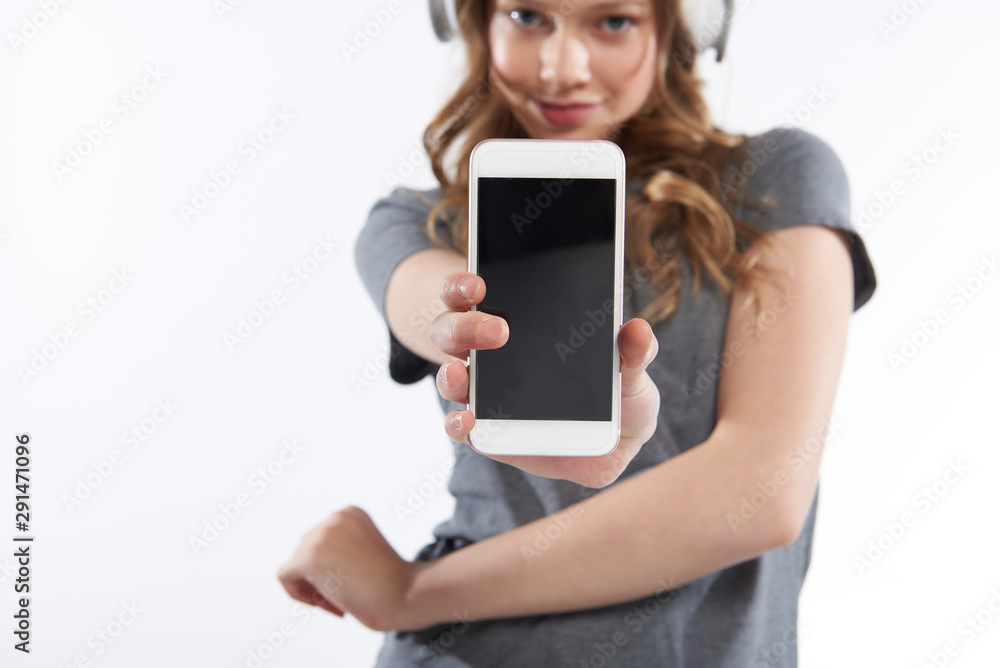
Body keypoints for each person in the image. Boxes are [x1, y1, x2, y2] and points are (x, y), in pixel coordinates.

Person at [277, 0, 877, 665]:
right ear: (476, 21)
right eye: (527, 16)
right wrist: (465, 324)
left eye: (614, 20)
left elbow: (763, 493)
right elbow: (437, 306)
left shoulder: (774, 178)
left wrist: (414, 593)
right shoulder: (409, 223)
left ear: (679, 26)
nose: (561, 68)